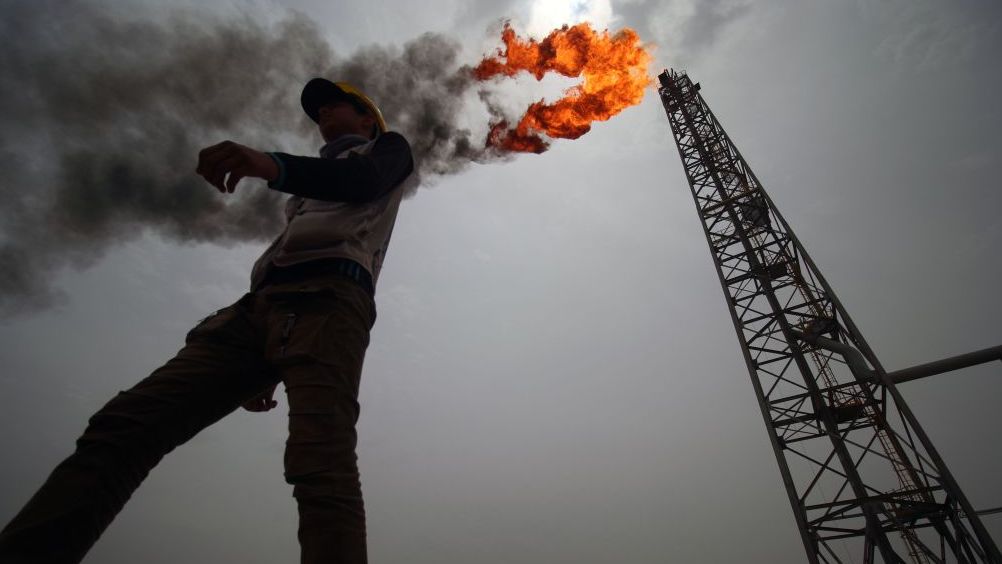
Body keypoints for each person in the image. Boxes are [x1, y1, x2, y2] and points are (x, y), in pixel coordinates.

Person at [0, 78, 415, 564]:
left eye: (337, 104)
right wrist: (264, 362)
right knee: (125, 426)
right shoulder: (306, 190)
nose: (323, 111)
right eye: (318, 108)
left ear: (367, 119)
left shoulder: (388, 151)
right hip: (254, 314)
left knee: (321, 462)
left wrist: (272, 164)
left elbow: (360, 182)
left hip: (328, 304)